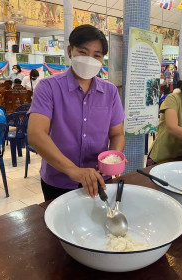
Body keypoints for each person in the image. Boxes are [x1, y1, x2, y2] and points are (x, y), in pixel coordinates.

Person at [27, 24, 125, 201]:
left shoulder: (110, 92)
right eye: (83, 52)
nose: (89, 59)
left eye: (97, 55)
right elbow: (36, 134)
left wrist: (114, 158)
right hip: (59, 181)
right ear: (70, 51)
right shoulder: (48, 87)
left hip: (100, 179)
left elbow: (117, 133)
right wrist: (73, 170)